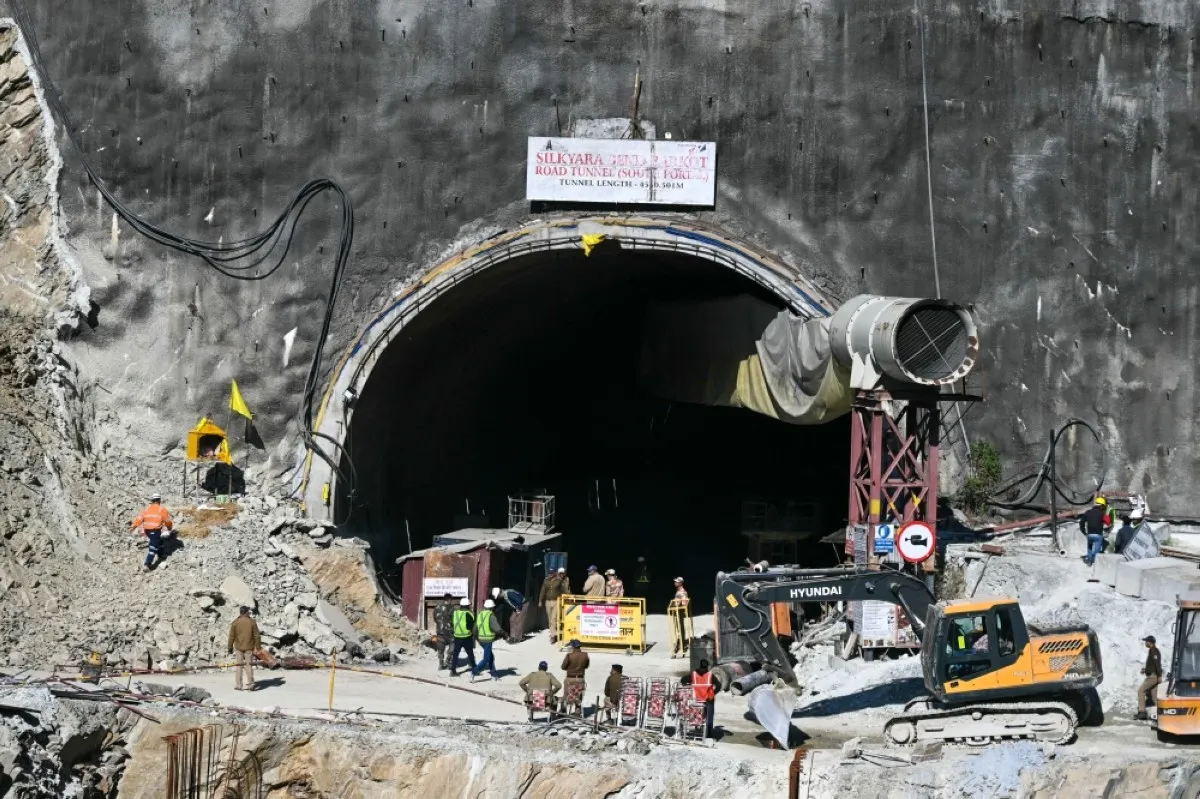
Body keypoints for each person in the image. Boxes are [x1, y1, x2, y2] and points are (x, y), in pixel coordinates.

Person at [131, 493, 174, 572]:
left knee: (159, 541)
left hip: (147, 531)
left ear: (152, 500)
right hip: (155, 531)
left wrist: (134, 526)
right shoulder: (162, 509)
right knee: (153, 548)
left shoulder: (147, 509)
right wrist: (169, 527)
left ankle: (161, 555)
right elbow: (167, 521)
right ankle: (147, 564)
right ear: (159, 500)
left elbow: (139, 518)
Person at [470, 599, 506, 682]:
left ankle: (494, 675)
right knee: (486, 659)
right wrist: (504, 633)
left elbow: (475, 629)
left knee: (491, 657)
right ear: (492, 608)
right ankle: (474, 672)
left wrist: (477, 639)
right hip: (488, 640)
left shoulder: (480, 614)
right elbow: (497, 629)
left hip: (481, 639)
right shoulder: (491, 616)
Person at [227, 606, 261, 691]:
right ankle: (251, 685)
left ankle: (239, 685)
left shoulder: (235, 622)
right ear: (246, 612)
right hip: (249, 647)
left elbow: (231, 636)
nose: (249, 613)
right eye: (248, 611)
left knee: (239, 666)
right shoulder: (252, 622)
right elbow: (257, 636)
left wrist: (230, 647)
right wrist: (258, 647)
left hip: (238, 647)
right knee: (249, 665)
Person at [539, 567, 570, 644]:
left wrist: (568, 597)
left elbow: (564, 590)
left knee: (554, 618)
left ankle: (553, 636)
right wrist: (540, 600)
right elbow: (543, 590)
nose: (550, 574)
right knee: (549, 619)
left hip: (556, 601)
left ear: (554, 574)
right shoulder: (545, 581)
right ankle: (553, 632)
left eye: (551, 573)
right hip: (548, 602)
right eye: (549, 573)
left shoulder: (559, 581)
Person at [1136, 634, 1162, 720]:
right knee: (1154, 697)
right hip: (1154, 675)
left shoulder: (1153, 650)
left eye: (1146, 641)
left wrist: (1159, 675)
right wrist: (1146, 670)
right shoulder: (1153, 650)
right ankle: (1160, 713)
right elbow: (1153, 665)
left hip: (1153, 677)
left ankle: (1142, 712)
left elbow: (1157, 664)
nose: (1145, 643)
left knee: (1141, 691)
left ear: (1150, 642)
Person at [449, 597, 477, 677]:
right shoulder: (469, 614)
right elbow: (470, 626)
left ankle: (453, 671)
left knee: (455, 654)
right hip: (466, 637)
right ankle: (475, 669)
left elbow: (452, 623)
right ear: (467, 606)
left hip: (457, 637)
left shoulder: (456, 613)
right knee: (470, 653)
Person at [561, 639, 590, 712]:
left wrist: (570, 668)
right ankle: (577, 711)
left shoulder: (569, 656)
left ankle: (563, 711)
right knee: (578, 695)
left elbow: (563, 667)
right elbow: (586, 666)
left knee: (566, 695)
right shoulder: (585, 655)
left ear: (573, 646)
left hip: (570, 678)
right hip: (580, 678)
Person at [1079, 497, 1108, 567]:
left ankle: (1089, 560)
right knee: (1097, 550)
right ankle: (1094, 561)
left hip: (1090, 534)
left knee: (1089, 548)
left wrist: (1084, 532)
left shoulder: (1088, 512)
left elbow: (1081, 522)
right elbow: (1108, 522)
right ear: (1101, 506)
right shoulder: (1103, 514)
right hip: (1098, 535)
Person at [692, 659, 716, 737]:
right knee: (709, 715)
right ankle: (709, 734)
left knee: (699, 714)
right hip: (709, 698)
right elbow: (718, 685)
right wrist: (714, 692)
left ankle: (698, 730)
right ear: (707, 666)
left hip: (697, 699)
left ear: (700, 665)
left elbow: (683, 680)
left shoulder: (694, 674)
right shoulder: (710, 675)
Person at [433, 593, 456, 670]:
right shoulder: (452, 608)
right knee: (452, 647)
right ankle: (448, 661)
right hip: (450, 632)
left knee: (440, 649)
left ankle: (441, 664)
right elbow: (454, 620)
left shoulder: (437, 607)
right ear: (449, 600)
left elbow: (435, 619)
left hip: (440, 632)